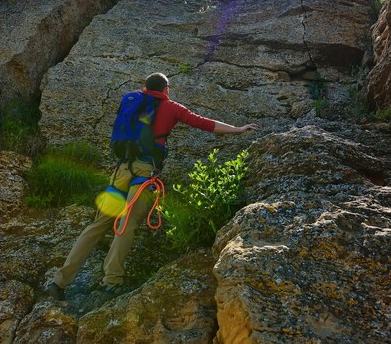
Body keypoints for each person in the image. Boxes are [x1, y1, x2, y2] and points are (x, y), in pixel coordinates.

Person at [48, 72, 259, 300]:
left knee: (97, 225)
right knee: (126, 222)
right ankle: (111, 280)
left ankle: (59, 281)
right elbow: (204, 124)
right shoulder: (171, 107)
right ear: (166, 89)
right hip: (144, 173)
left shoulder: (133, 101)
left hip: (120, 171)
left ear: (145, 86)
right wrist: (238, 129)